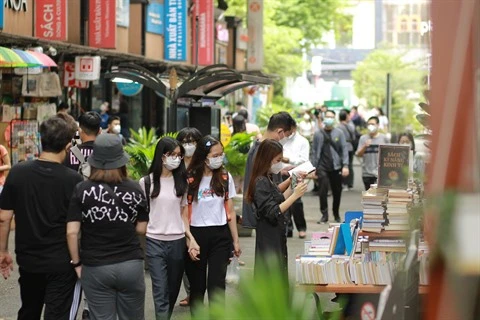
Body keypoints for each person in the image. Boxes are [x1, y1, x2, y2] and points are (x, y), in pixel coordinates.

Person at [0, 115, 82, 320]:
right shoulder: (73, 180)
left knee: (29, 310)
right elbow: (77, 227)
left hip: (29, 260)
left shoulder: (18, 172)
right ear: (67, 145)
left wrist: (3, 251)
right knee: (57, 314)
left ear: (40, 139)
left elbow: (4, 218)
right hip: (61, 262)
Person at [66, 134, 149, 320]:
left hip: (96, 266)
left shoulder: (82, 189)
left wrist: (77, 263)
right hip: (131, 264)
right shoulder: (135, 188)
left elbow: (72, 232)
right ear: (121, 161)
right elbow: (142, 229)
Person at [139, 137, 199, 319]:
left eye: (179, 156)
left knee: (172, 290)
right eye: (171, 154)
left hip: (177, 241)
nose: (176, 159)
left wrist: (190, 237)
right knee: (159, 289)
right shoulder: (146, 182)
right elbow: (141, 213)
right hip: (154, 241)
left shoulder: (182, 182)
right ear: (161, 156)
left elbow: (183, 214)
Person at [184, 135, 241, 315]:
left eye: (221, 154)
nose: (219, 158)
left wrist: (236, 241)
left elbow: (229, 211)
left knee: (217, 287)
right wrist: (189, 239)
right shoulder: (189, 179)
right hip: (196, 236)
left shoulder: (225, 177)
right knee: (197, 287)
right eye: (215, 155)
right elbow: (183, 212)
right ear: (203, 156)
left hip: (220, 236)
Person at [246, 139, 307, 280]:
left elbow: (278, 196)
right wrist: (295, 195)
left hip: (275, 233)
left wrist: (292, 181)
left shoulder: (266, 177)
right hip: (269, 236)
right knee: (271, 276)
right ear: (267, 159)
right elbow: (274, 211)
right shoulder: (261, 182)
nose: (280, 163)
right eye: (278, 159)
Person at [242, 112, 296, 229]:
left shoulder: (264, 148)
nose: (287, 139)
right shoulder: (259, 152)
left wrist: (281, 172)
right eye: (288, 135)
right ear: (280, 132)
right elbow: (262, 186)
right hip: (267, 216)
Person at [175, 127, 203, 307]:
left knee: (196, 256)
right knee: (184, 258)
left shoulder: (203, 165)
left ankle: (196, 292)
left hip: (199, 217)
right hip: (178, 216)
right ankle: (191, 292)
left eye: (192, 141)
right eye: (185, 141)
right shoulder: (175, 164)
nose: (188, 145)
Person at [312, 110, 350, 223]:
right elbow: (314, 151)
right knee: (322, 192)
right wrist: (313, 167)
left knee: (337, 191)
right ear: (324, 118)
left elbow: (344, 149)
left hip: (336, 166)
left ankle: (336, 213)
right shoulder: (318, 134)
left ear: (335, 119)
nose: (329, 119)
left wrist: (345, 165)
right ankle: (324, 215)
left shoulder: (339, 133)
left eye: (332, 117)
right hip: (322, 167)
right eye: (327, 116)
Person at [281, 122, 309, 238]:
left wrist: (288, 160)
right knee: (283, 200)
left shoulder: (302, 141)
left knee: (296, 201)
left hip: (296, 174)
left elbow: (303, 160)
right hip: (281, 173)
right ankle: (288, 227)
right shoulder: (281, 139)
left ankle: (301, 227)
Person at [355, 116, 389, 190]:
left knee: (379, 197)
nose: (370, 126)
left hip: (380, 173)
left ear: (377, 125)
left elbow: (388, 155)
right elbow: (358, 154)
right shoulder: (363, 138)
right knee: (369, 197)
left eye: (373, 124)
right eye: (369, 124)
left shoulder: (384, 138)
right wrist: (365, 146)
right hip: (366, 173)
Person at [337, 109, 356, 191]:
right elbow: (354, 137)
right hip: (350, 147)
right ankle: (350, 184)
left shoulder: (338, 127)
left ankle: (343, 183)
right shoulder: (350, 126)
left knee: (343, 165)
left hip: (341, 148)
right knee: (350, 165)